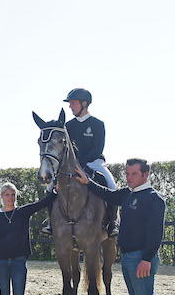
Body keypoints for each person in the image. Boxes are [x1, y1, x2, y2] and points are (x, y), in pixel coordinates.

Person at [75, 159, 166, 295]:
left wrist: (147, 259)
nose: (129, 177)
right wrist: (87, 183)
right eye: (127, 174)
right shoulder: (128, 194)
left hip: (141, 258)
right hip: (127, 257)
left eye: (133, 174)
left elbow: (156, 234)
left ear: (145, 174)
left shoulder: (153, 199)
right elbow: (108, 194)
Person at [43, 88, 119, 237]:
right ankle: (51, 223)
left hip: (94, 163)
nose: (70, 106)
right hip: (72, 165)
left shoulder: (97, 124)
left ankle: (113, 223)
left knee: (112, 185)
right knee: (50, 186)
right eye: (70, 103)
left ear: (84, 104)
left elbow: (97, 148)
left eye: (73, 103)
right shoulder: (68, 126)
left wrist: (82, 163)